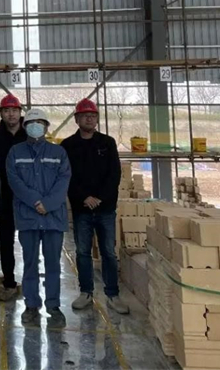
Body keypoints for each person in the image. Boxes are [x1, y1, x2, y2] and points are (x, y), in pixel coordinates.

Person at [61, 98, 129, 315]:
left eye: (93, 116)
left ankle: (113, 294)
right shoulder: (68, 146)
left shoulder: (107, 143)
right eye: (85, 116)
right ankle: (86, 293)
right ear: (76, 119)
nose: (89, 119)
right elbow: (67, 176)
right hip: (81, 209)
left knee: (108, 252)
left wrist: (99, 197)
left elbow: (114, 174)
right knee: (82, 252)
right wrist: (84, 197)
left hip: (105, 209)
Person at [8, 108, 72, 327]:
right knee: (30, 263)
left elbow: (64, 180)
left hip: (53, 218)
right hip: (28, 217)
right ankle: (31, 305)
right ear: (24, 126)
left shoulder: (58, 153)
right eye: (31, 122)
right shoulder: (15, 152)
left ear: (46, 127)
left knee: (53, 264)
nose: (35, 126)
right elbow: (14, 181)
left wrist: (49, 204)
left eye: (40, 123)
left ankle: (53, 306)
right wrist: (36, 201)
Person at [0, 93, 26, 302]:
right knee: (6, 241)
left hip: (27, 197)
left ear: (20, 113)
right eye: (6, 111)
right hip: (5, 196)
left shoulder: (29, 134)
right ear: (1, 113)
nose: (11, 114)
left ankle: (30, 281)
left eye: (14, 110)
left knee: (30, 240)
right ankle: (9, 281)